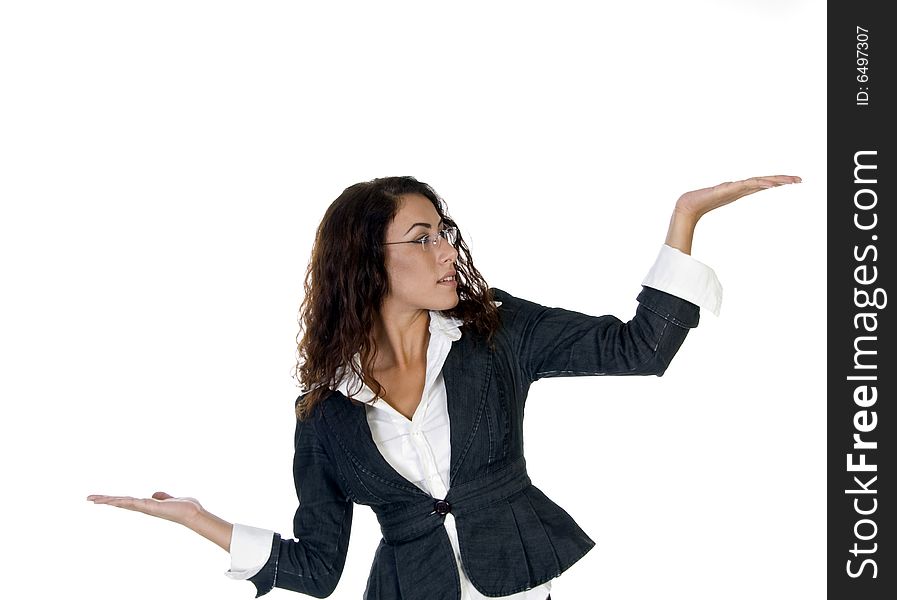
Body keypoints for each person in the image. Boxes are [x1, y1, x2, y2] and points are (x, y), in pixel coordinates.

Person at [88, 174, 801, 599]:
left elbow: (638, 349)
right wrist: (197, 520)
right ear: (367, 262)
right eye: (423, 236)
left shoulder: (495, 332)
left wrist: (684, 218)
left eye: (445, 232)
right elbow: (317, 566)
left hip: (519, 577)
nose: (447, 250)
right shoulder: (324, 415)